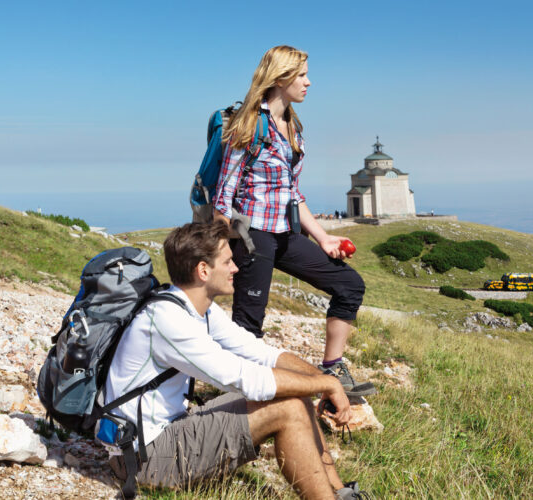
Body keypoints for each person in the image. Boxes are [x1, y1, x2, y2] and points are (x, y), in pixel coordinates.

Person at [104, 221, 370, 499]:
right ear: (203, 270)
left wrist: (321, 380)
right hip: (145, 457)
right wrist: (327, 385)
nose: (236, 268)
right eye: (227, 261)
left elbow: (261, 353)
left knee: (295, 391)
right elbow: (246, 378)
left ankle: (341, 492)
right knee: (288, 406)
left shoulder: (198, 309)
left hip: (168, 430)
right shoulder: (168, 320)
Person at [214, 45, 375, 396]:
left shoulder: (293, 126)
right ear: (280, 77)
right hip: (252, 234)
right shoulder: (250, 124)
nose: (308, 82)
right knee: (248, 322)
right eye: (302, 75)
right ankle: (237, 397)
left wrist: (323, 238)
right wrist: (222, 248)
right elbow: (224, 194)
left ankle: (333, 369)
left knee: (349, 285)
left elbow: (291, 192)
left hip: (285, 232)